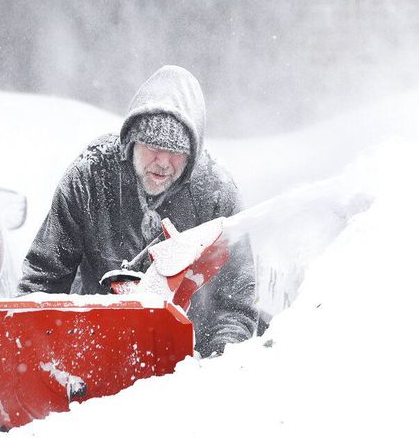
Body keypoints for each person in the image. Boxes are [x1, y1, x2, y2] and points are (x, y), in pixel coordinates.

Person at [19, 65, 257, 357]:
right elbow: (43, 279)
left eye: (177, 151)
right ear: (131, 141)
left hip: (186, 360)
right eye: (153, 147)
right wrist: (39, 354)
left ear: (193, 155)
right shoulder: (89, 179)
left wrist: (214, 364)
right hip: (93, 348)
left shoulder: (216, 196)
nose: (163, 162)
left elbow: (235, 307)